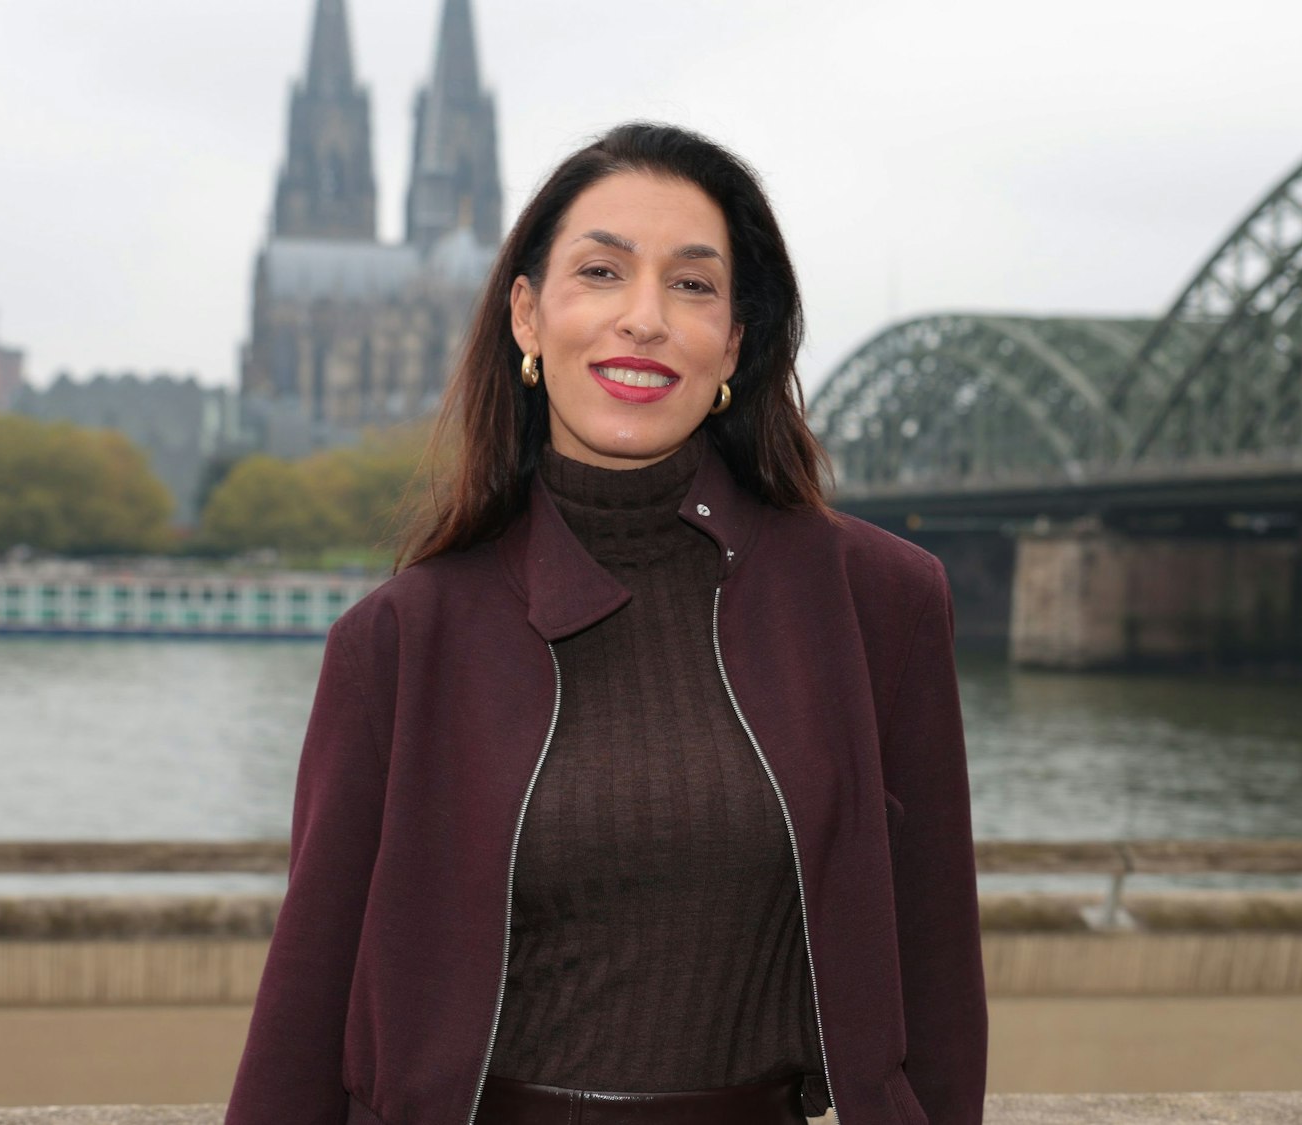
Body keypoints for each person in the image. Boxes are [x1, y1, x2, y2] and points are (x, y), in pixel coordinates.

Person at [223, 121, 986, 1125]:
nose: (644, 318)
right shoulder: (401, 641)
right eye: (601, 272)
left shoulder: (878, 602)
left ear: (735, 344)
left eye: (692, 284)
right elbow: (305, 1015)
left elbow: (934, 986)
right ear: (529, 319)